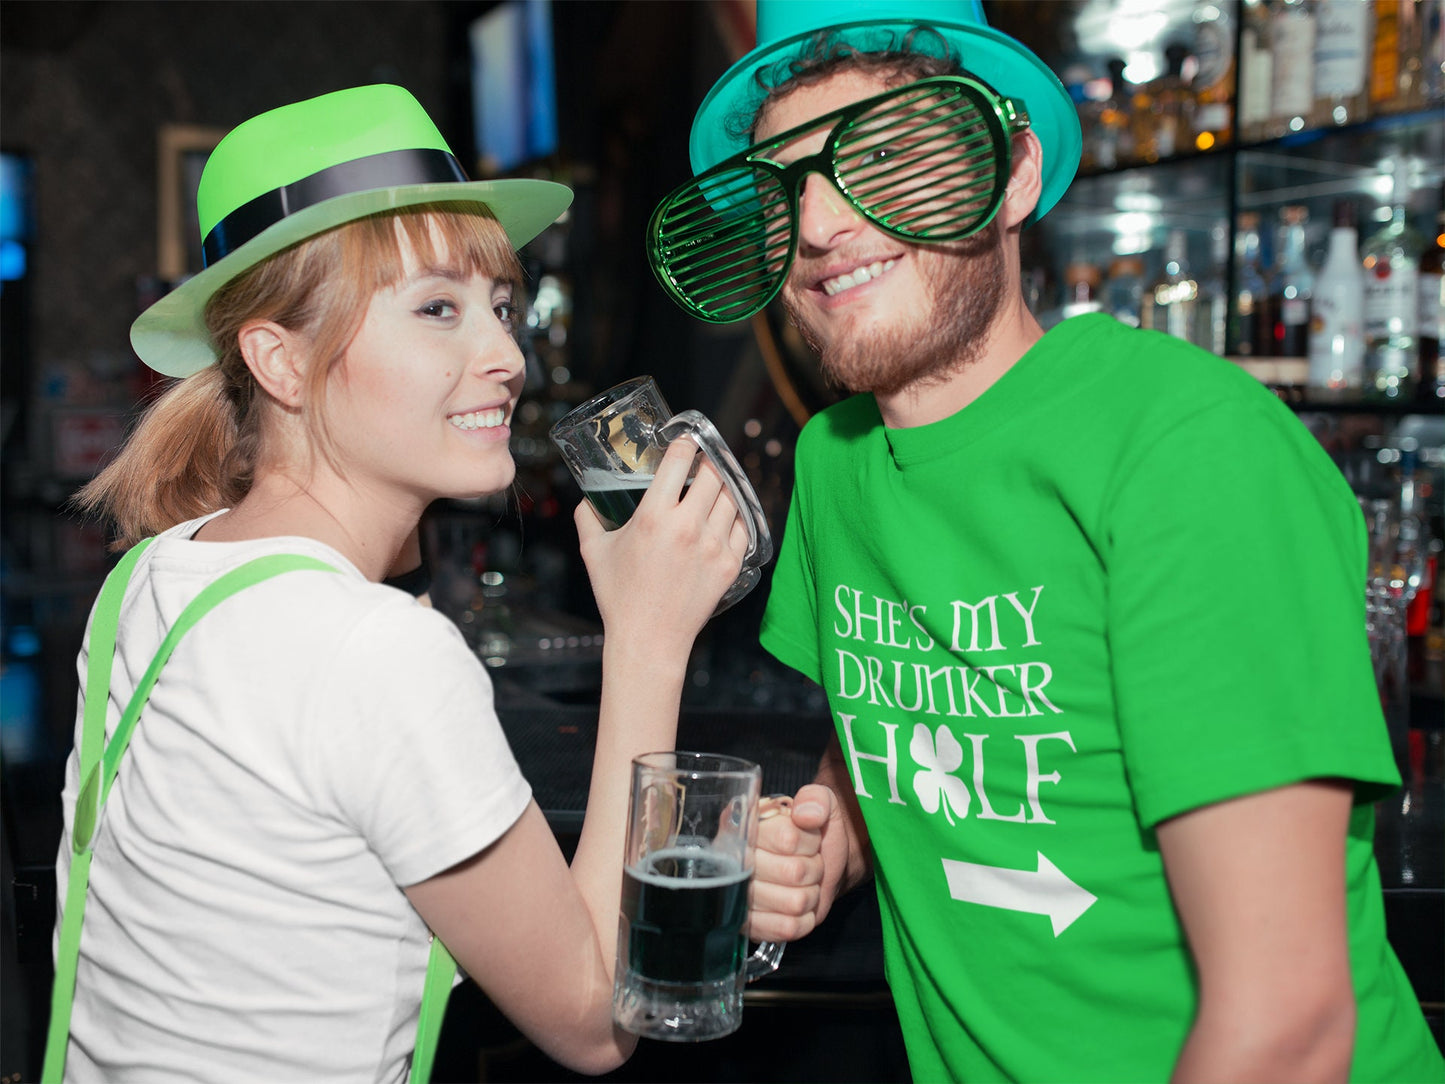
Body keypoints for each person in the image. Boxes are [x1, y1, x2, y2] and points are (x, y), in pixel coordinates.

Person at [645, 1, 1445, 1081]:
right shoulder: (836, 460)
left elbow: (1284, 1028)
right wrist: (826, 845)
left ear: (1012, 174)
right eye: (782, 189)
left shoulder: (1185, 449)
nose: (823, 225)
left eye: (887, 161)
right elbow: (888, 746)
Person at [51, 84, 748, 1082]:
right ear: (281, 363)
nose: (505, 355)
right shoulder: (375, 653)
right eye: (437, 310)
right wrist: (648, 634)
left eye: (500, 309)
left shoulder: (153, 576)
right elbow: (598, 1021)